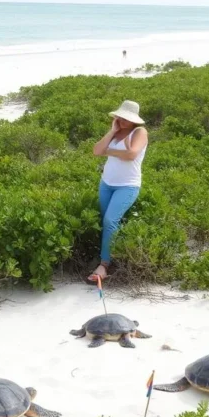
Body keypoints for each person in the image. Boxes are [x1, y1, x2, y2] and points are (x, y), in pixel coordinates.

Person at [88, 100, 149, 284]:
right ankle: (113, 253)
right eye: (120, 117)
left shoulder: (140, 132)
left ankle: (104, 265)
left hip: (128, 186)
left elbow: (131, 154)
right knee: (105, 220)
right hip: (106, 183)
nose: (122, 120)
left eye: (126, 118)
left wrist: (111, 152)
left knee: (110, 220)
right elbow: (97, 150)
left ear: (134, 120)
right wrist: (112, 131)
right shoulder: (116, 132)